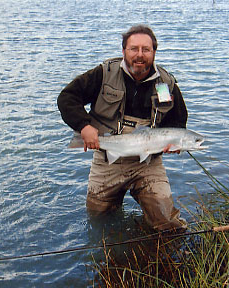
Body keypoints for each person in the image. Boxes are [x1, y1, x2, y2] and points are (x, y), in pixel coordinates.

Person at [57, 25, 188, 231]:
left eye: (146, 49)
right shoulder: (103, 74)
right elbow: (67, 98)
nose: (140, 55)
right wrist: (84, 127)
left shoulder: (167, 83)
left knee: (167, 224)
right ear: (123, 51)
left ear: (154, 52)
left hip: (149, 164)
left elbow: (178, 122)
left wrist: (175, 144)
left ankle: (156, 254)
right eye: (133, 49)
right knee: (98, 220)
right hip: (108, 161)